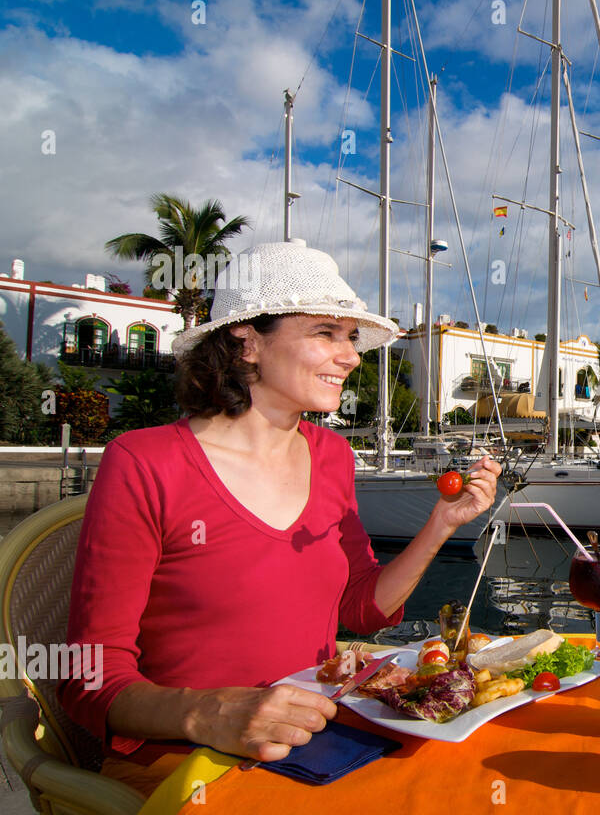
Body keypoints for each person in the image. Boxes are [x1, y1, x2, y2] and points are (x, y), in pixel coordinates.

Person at [60, 240, 500, 785]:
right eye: (325, 333)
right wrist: (208, 713)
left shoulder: (332, 455)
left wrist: (442, 524)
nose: (351, 355)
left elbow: (362, 610)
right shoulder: (145, 462)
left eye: (352, 337)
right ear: (246, 342)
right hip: (189, 762)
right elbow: (88, 676)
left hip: (319, 741)